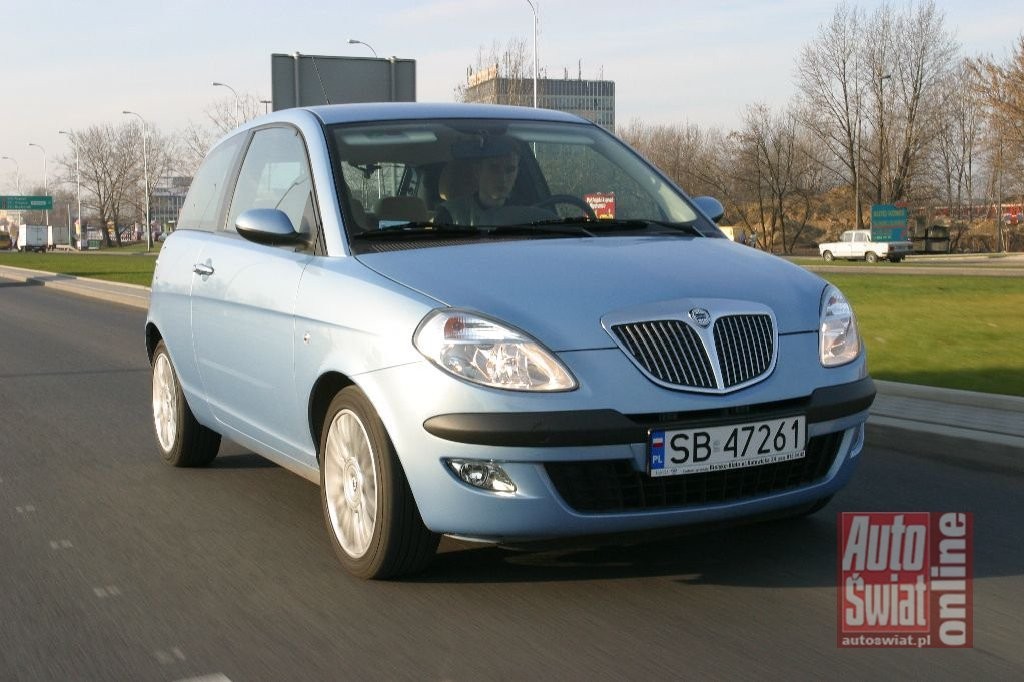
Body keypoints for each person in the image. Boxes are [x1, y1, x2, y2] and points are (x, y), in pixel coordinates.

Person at [434, 137, 553, 227]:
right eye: (494, 168)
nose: (503, 178)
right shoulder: (449, 215)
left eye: (510, 170)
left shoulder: (530, 213)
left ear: (517, 173)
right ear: (477, 171)